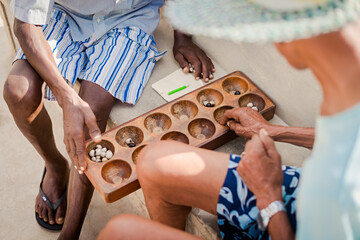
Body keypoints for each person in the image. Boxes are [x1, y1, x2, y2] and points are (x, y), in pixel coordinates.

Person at [98, 0, 360, 239]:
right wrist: (273, 131)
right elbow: (345, 137)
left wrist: (268, 196)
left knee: (119, 232)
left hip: (289, 222)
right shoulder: (346, 85)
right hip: (300, 192)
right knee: (154, 161)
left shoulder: (344, 190)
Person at [3, 0, 214, 238]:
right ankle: (55, 165)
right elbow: (25, 25)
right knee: (18, 91)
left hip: (129, 17)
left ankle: (71, 232)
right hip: (65, 13)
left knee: (91, 114)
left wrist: (183, 36)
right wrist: (65, 95)